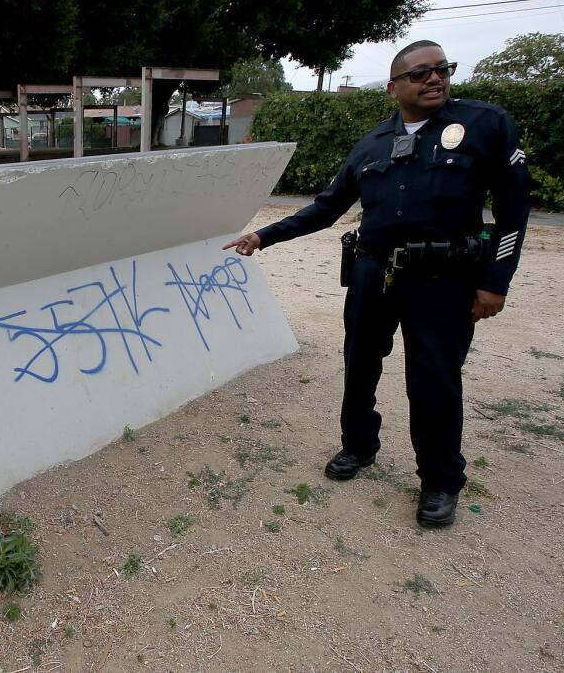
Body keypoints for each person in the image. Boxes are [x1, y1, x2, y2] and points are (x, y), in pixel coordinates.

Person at [223, 40, 530, 528]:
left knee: (434, 383)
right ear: (393, 87)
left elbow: (515, 209)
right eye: (420, 74)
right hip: (372, 274)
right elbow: (328, 207)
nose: (434, 79)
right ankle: (358, 447)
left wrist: (496, 282)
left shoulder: (483, 124)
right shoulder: (372, 143)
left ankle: (440, 481)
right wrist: (264, 235)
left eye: (441, 70)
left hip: (443, 278)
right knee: (359, 367)